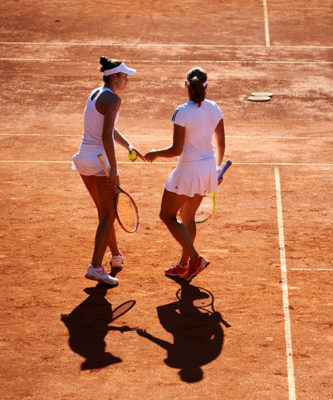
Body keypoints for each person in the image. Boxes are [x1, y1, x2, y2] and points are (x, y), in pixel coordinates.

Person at [144, 67, 226, 282]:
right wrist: (216, 169)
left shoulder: (181, 112)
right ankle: (183, 266)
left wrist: (155, 154)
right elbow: (220, 143)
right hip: (207, 170)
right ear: (206, 86)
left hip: (188, 172)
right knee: (187, 218)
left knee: (167, 216)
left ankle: (195, 259)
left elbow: (176, 150)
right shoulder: (215, 109)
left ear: (186, 86)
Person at [72, 56, 143, 286]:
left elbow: (109, 129)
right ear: (114, 77)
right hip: (100, 161)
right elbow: (105, 136)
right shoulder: (113, 99)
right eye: (125, 77)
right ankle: (95, 267)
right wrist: (113, 169)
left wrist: (128, 145)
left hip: (84, 159)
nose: (127, 81)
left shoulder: (96, 93)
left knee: (105, 213)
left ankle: (115, 256)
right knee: (107, 215)